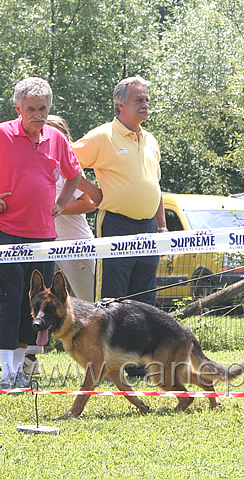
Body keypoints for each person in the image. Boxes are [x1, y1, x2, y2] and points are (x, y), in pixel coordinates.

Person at [0, 77, 81, 388]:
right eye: (31, 108)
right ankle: (6, 373)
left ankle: (19, 370)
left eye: (43, 108)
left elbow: (74, 176)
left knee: (33, 304)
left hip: (44, 236)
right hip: (6, 233)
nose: (38, 114)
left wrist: (61, 203)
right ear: (18, 108)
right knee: (8, 300)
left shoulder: (56, 139)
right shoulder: (3, 134)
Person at [72, 76, 168, 307]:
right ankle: (109, 344)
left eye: (147, 99)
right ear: (120, 105)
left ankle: (141, 344)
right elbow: (66, 162)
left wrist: (162, 226)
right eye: (138, 100)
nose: (145, 104)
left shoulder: (150, 140)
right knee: (112, 300)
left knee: (145, 299)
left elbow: (155, 187)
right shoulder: (102, 135)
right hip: (116, 224)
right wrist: (91, 191)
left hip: (149, 228)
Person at [47, 115, 97, 302]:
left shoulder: (70, 166)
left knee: (89, 304)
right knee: (49, 309)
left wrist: (56, 209)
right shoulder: (34, 165)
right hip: (46, 247)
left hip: (77, 246)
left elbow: (89, 203)